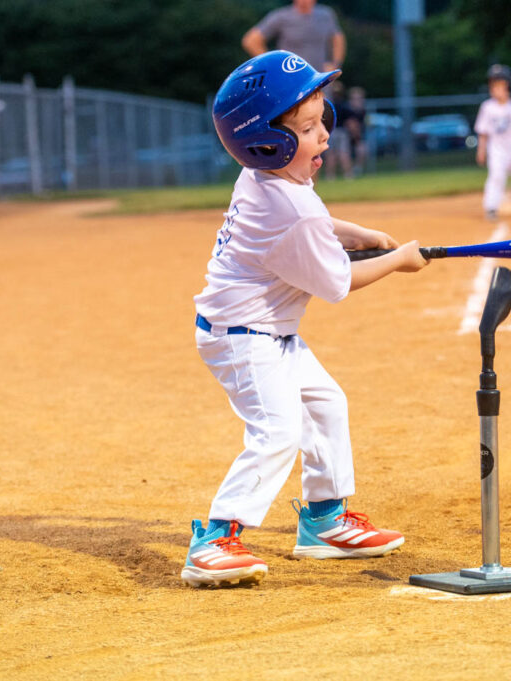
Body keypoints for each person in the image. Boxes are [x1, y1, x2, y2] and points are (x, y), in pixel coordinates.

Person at [182, 51, 428, 588]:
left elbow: (316, 220)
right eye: (310, 128)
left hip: (268, 331)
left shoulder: (267, 177)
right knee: (278, 431)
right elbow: (338, 282)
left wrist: (359, 233)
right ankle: (214, 539)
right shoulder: (289, 209)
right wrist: (398, 260)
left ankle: (324, 520)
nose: (325, 137)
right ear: (268, 142)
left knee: (326, 405)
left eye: (322, 121)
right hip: (243, 338)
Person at [474, 64, 511, 222]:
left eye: (500, 85)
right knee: (496, 177)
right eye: (493, 85)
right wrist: (481, 150)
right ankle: (491, 207)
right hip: (496, 151)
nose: (496, 89)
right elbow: (483, 132)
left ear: (508, 86)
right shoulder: (487, 107)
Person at [242, 0, 345, 73]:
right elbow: (250, 41)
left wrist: (335, 64)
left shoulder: (326, 15)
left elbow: (338, 39)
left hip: (320, 80)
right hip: (293, 81)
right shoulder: (281, 16)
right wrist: (273, 65)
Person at [326, 84, 368, 180]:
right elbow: (350, 122)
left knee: (331, 154)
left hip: (331, 131)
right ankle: (348, 174)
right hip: (341, 132)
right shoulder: (345, 106)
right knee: (343, 153)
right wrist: (356, 135)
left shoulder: (329, 105)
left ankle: (330, 176)